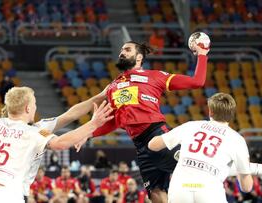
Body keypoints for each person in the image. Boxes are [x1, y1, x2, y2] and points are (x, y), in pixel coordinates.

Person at [75, 40, 209, 202]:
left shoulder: (155, 76)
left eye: (127, 49)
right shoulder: (114, 86)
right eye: (121, 50)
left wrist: (202, 55)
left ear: (139, 57)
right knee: (155, 194)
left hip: (159, 135)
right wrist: (88, 134)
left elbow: (197, 82)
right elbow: (115, 120)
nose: (121, 52)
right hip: (141, 147)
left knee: (194, 177)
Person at [0, 85, 113, 203]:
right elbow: (60, 143)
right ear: (27, 108)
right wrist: (93, 124)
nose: (35, 106)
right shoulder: (35, 132)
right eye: (34, 103)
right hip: (6, 194)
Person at [148, 93, 262, 202]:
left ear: (210, 111)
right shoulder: (237, 139)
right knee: (222, 166)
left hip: (179, 187)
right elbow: (246, 187)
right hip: (209, 189)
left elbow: (152, 145)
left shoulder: (191, 126)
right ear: (232, 114)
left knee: (221, 166)